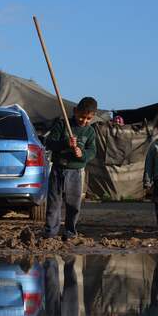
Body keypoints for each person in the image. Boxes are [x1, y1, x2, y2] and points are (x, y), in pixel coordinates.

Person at [42, 97, 98, 240]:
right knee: (54, 203)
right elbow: (50, 143)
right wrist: (65, 143)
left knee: (73, 204)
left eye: (88, 118)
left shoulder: (90, 132)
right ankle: (50, 233)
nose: (83, 121)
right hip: (58, 169)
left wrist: (82, 153)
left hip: (76, 172)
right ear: (75, 111)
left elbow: (92, 151)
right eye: (81, 116)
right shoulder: (62, 125)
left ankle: (70, 232)